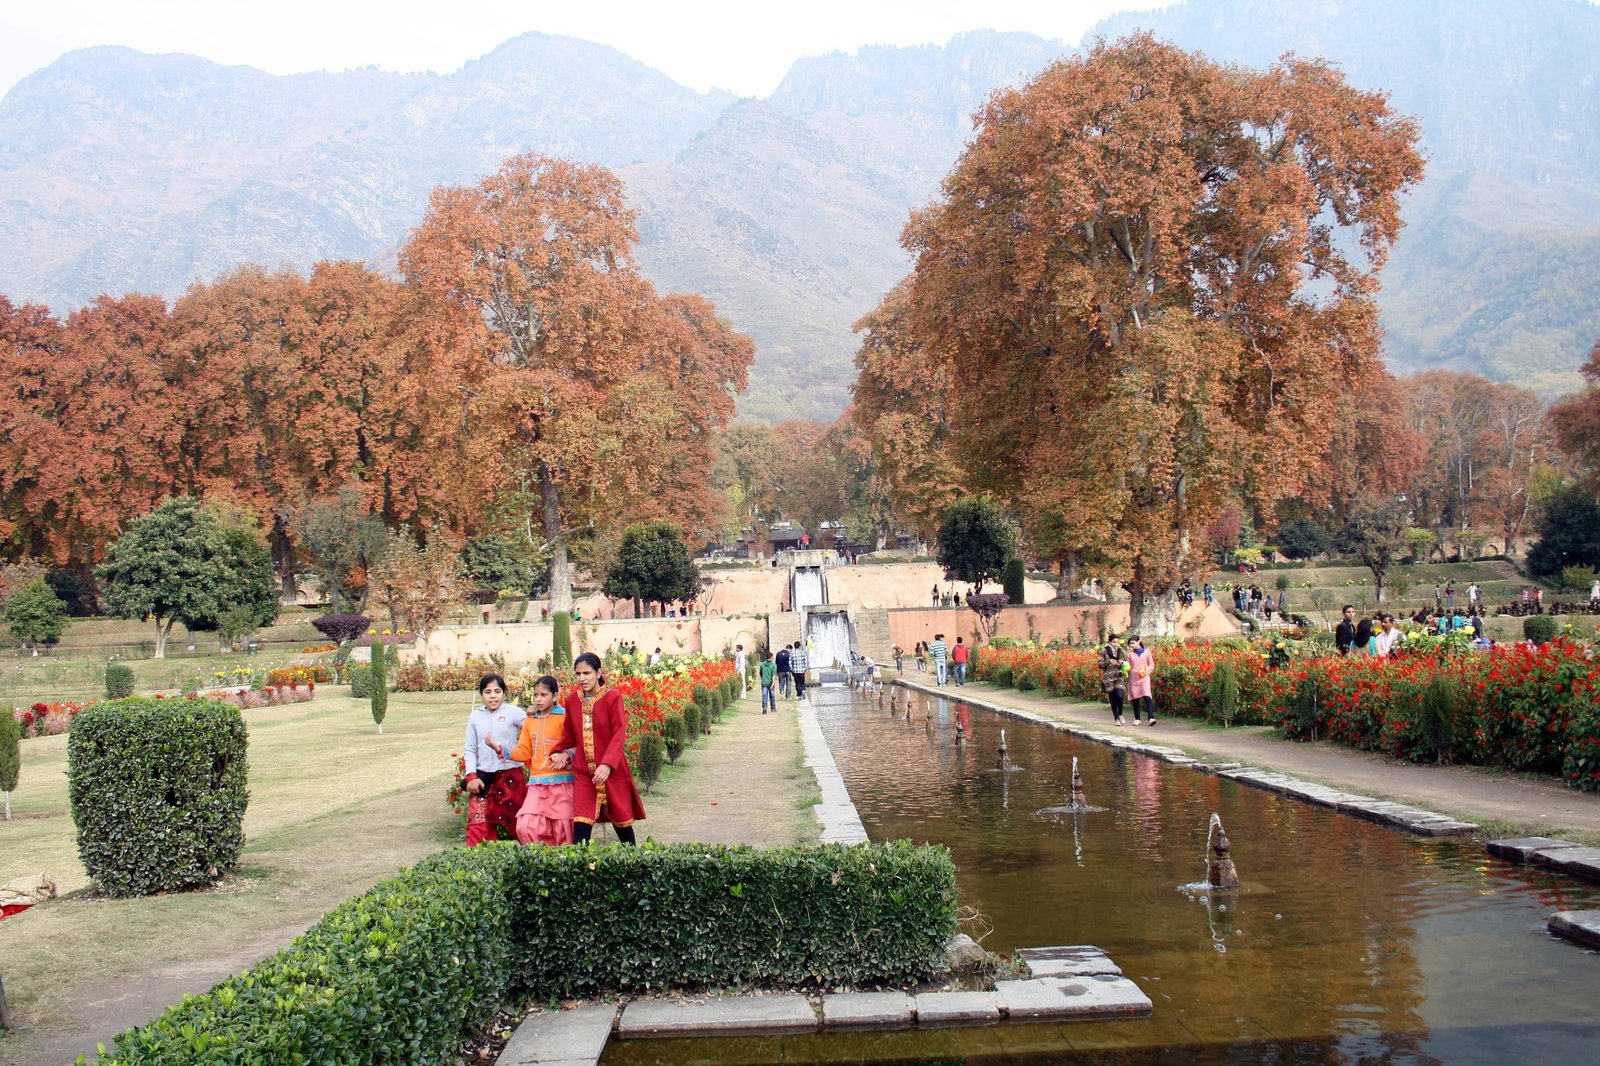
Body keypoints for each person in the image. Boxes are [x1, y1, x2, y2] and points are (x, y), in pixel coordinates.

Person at [548, 652, 643, 844]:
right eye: (578, 674)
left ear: (598, 673)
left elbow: (619, 733)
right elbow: (569, 735)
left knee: (622, 822)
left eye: (587, 673)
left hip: (613, 771)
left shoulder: (612, 697)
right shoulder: (573, 700)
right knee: (581, 823)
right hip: (584, 773)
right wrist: (561, 753)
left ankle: (635, 862)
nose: (582, 678)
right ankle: (580, 869)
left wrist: (607, 764)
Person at [486, 674, 574, 847]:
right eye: (536, 695)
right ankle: (540, 863)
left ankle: (562, 866)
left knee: (563, 830)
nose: (538, 699)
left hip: (563, 783)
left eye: (544, 695)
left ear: (555, 696)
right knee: (526, 826)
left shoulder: (566, 718)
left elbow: (577, 743)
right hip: (537, 784)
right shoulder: (530, 722)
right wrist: (499, 749)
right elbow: (524, 752)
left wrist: (567, 755)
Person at [461, 673, 528, 847]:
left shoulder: (514, 713)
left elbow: (535, 730)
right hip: (483, 780)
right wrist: (471, 776)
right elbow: (470, 748)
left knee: (521, 825)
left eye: (497, 691)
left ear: (504, 693)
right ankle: (480, 868)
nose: (493, 696)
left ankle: (535, 863)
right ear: (482, 694)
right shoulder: (475, 717)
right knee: (479, 828)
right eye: (488, 691)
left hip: (511, 778)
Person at [1099, 632, 1129, 726]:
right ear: (1110, 642)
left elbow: (1127, 663)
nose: (1116, 644)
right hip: (1108, 678)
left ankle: (1120, 713)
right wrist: (1108, 661)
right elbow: (1099, 664)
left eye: (1117, 642)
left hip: (1119, 676)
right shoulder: (1104, 651)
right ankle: (1116, 718)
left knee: (1120, 695)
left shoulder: (1121, 651)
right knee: (1113, 699)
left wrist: (1122, 662)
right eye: (1114, 642)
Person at [1127, 634, 1156, 726]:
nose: (1132, 645)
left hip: (1144, 677)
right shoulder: (1130, 654)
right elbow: (1127, 666)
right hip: (1134, 678)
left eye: (1133, 643)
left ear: (1139, 641)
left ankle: (1151, 717)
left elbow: (1151, 664)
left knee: (1147, 696)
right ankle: (1137, 718)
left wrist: (1146, 671)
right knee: (1135, 699)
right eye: (1130, 644)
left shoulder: (1146, 652)